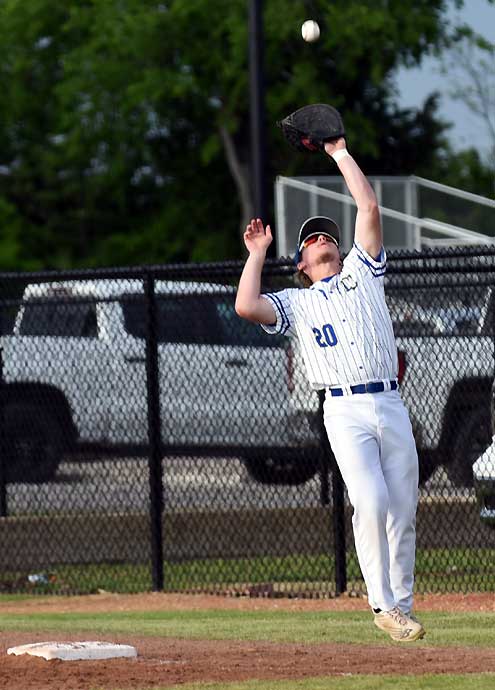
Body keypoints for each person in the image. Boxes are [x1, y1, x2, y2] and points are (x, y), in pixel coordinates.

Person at [235, 137, 425, 643]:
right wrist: (256, 254)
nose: (321, 239)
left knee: (403, 506)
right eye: (312, 239)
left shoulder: (365, 271)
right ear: (300, 261)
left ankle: (400, 607)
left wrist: (339, 152)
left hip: (389, 399)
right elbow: (246, 306)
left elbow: (367, 205)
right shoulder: (296, 303)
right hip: (343, 409)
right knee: (371, 498)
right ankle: (381, 604)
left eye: (327, 236)